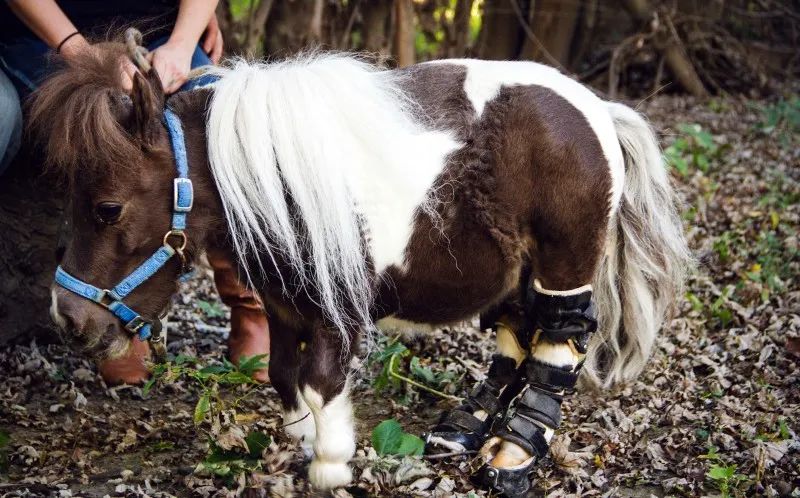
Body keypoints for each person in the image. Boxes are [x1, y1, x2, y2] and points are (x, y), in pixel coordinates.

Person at [0, 0, 271, 385]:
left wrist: (183, 40)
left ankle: (251, 306)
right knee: (107, 123)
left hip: (162, 31)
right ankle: (120, 312)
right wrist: (81, 53)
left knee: (222, 127)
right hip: (48, 40)